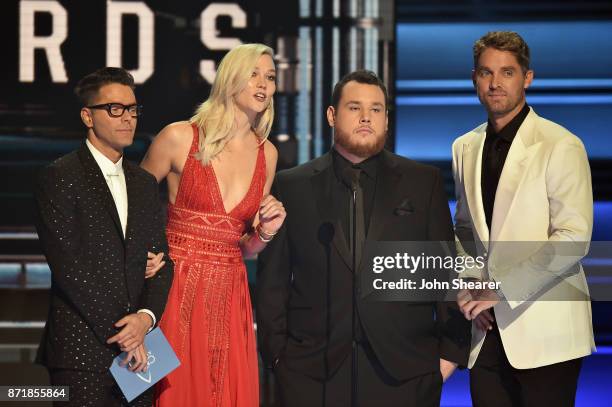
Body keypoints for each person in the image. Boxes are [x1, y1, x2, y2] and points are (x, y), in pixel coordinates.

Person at [256, 70, 470, 407]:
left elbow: (444, 273)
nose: (367, 117)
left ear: (386, 119)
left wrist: (448, 358)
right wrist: (277, 358)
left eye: (377, 109)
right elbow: (273, 282)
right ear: (331, 115)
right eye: (355, 108)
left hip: (405, 372)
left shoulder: (422, 182)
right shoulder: (292, 185)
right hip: (312, 373)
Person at [452, 31, 595, 406]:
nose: (495, 83)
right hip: (486, 333)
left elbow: (573, 239)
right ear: (474, 78)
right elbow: (465, 230)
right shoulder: (463, 147)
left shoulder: (560, 144)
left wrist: (498, 289)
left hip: (547, 333)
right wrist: (470, 286)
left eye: (507, 72)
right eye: (486, 72)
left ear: (527, 78)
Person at [140, 43, 286, 407]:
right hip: (173, 290)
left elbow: (247, 248)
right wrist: (142, 257)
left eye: (270, 76)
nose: (263, 83)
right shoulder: (180, 136)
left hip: (230, 295)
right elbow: (129, 209)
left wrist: (266, 231)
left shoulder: (267, 154)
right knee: (163, 393)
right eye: (253, 73)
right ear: (229, 78)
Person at [34, 67, 174, 406]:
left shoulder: (142, 182)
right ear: (88, 116)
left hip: (142, 353)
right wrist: (128, 334)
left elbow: (162, 261)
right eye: (115, 108)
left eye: (132, 109)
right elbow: (70, 269)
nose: (127, 118)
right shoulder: (60, 176)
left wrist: (145, 319)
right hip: (83, 350)